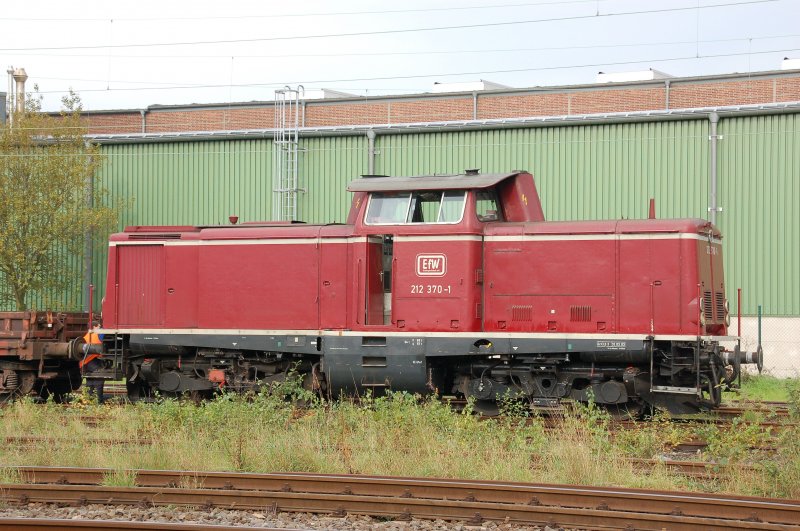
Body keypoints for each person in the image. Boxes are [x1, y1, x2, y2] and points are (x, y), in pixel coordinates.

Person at [80, 323, 105, 403]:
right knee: (99, 377)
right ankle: (98, 401)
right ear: (94, 327)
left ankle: (89, 399)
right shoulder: (97, 334)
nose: (100, 328)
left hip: (84, 362)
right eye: (99, 326)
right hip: (91, 360)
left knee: (90, 380)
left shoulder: (86, 335)